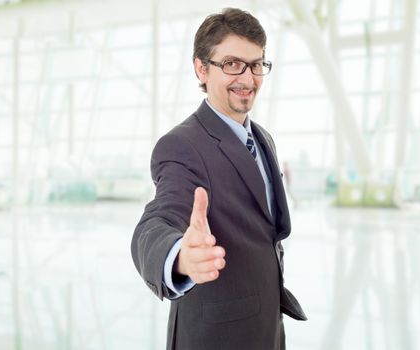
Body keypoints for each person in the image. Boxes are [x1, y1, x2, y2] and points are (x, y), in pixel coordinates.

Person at [131, 8, 306, 350]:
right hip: (216, 338)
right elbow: (156, 222)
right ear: (201, 68)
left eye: (257, 64)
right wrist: (179, 254)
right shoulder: (183, 145)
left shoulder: (262, 138)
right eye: (232, 64)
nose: (248, 77)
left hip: (266, 329)